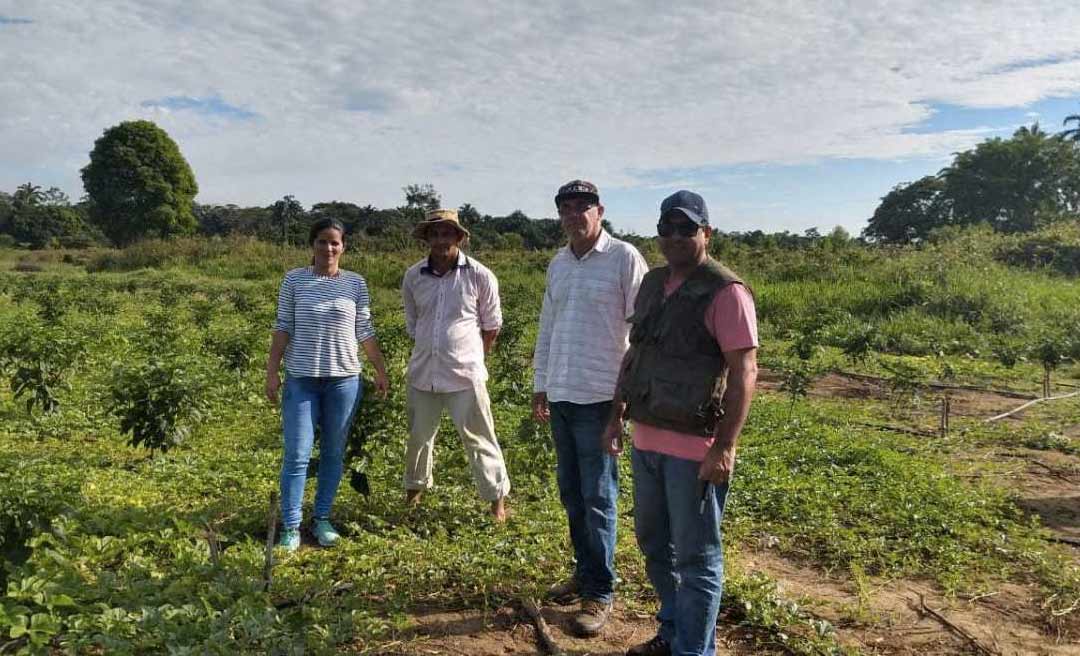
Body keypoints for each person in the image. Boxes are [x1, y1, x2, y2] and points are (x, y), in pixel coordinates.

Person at [603, 190, 758, 656]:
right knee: (654, 545)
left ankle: (694, 650)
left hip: (695, 448)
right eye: (666, 228)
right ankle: (673, 633)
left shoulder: (726, 291)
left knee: (696, 558)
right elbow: (636, 353)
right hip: (647, 439)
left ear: (706, 233)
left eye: (686, 228)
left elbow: (744, 372)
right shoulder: (652, 284)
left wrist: (724, 447)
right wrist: (615, 416)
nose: (674, 237)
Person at [532, 180, 649, 635]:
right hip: (562, 393)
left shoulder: (623, 258)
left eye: (584, 206)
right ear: (560, 214)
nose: (575, 213)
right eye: (567, 207)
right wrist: (541, 385)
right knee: (572, 493)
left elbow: (640, 334)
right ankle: (584, 573)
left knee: (599, 497)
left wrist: (623, 404)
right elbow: (548, 327)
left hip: (602, 397)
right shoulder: (558, 263)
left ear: (600, 212)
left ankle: (600, 593)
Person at [266, 217, 390, 552]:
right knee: (297, 454)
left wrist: (380, 369)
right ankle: (291, 527)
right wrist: (272, 371)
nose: (329, 248)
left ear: (343, 247)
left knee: (334, 452)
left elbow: (364, 329)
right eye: (322, 241)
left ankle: (322, 519)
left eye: (335, 242)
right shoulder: (294, 281)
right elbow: (283, 326)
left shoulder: (355, 283)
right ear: (313, 245)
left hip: (344, 380)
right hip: (302, 380)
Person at [401, 208, 511, 521]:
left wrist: (474, 355)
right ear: (427, 239)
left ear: (459, 237)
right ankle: (413, 494)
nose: (440, 240)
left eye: (447, 233)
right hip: (424, 372)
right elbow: (414, 323)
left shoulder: (480, 275)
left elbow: (492, 325)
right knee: (419, 438)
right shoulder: (413, 277)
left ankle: (497, 502)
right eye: (434, 234)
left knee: (480, 438)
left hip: (465, 373)